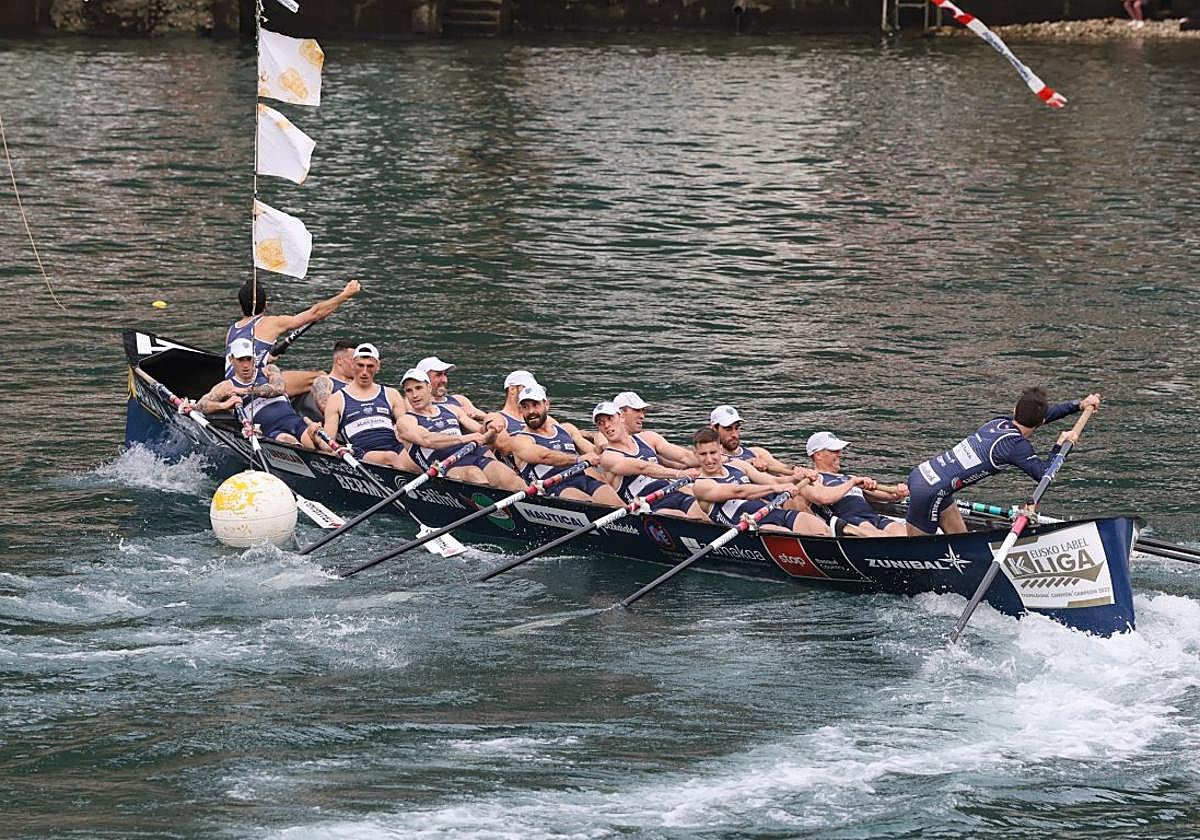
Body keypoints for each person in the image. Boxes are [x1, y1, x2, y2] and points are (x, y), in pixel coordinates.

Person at [905, 388, 1101, 536]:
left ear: (1015, 410)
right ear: (1041, 423)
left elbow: (1042, 415)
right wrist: (1059, 446)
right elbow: (1043, 475)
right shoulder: (1015, 445)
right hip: (930, 492)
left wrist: (1079, 405)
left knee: (959, 540)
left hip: (924, 476)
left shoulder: (998, 422)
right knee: (919, 558)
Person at [225, 277, 361, 395]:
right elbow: (316, 312)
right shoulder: (272, 322)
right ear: (266, 305)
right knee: (321, 377)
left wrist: (266, 358)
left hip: (231, 383)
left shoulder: (232, 329)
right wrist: (346, 294)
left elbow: (246, 355)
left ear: (241, 306)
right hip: (253, 385)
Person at [397, 368, 524, 490]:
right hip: (445, 467)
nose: (414, 395)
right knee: (473, 475)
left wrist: (492, 426)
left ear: (429, 388)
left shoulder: (451, 409)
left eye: (419, 388)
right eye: (409, 391)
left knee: (512, 479)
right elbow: (427, 440)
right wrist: (465, 438)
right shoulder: (406, 421)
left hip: (473, 455)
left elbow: (481, 432)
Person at [691, 427, 827, 534]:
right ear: (695, 454)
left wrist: (795, 478)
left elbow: (773, 481)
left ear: (720, 449)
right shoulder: (701, 485)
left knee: (817, 526)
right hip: (751, 529)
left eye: (713, 453)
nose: (709, 460)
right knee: (784, 533)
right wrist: (775, 489)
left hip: (774, 513)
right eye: (703, 454)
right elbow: (739, 492)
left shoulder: (738, 465)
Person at [507, 384, 624, 505]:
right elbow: (544, 456)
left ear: (546, 405)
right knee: (589, 505)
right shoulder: (520, 440)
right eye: (525, 407)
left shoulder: (567, 429)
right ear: (521, 410)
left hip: (582, 479)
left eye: (535, 405)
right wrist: (578, 459)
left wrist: (601, 442)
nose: (531, 411)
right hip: (554, 488)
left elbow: (595, 453)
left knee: (618, 504)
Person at [197, 337, 318, 448]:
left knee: (317, 436)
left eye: (249, 359)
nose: (245, 365)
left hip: (295, 422)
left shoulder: (269, 370)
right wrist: (224, 405)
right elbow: (201, 406)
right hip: (271, 433)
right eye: (240, 360)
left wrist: (245, 391)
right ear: (231, 359)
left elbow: (279, 388)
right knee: (286, 439)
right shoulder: (226, 387)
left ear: (254, 358)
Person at [594, 401, 702, 518]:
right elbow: (644, 468)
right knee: (679, 516)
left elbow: (685, 456)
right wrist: (680, 474)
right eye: (601, 423)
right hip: (649, 506)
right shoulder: (609, 457)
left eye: (610, 419)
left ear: (621, 417)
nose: (606, 425)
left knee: (701, 512)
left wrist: (717, 460)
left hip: (673, 491)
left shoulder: (648, 438)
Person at [321, 343, 411, 468]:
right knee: (391, 457)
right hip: (363, 452)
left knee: (416, 460)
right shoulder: (336, 399)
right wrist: (314, 434)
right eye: (360, 365)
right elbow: (327, 443)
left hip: (396, 447)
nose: (364, 372)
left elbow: (408, 428)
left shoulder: (391, 394)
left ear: (378, 367)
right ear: (352, 365)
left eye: (370, 366)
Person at [806, 431, 910, 537]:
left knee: (905, 533)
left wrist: (899, 493)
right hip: (849, 521)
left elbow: (888, 497)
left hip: (872, 517)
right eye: (835, 451)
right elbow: (824, 498)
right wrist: (852, 483)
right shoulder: (812, 478)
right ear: (818, 455)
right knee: (878, 534)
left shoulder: (850, 478)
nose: (840, 454)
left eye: (839, 450)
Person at [709, 405, 816, 481]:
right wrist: (748, 463)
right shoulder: (709, 459)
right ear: (714, 428)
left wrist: (798, 469)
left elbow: (782, 468)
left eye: (737, 428)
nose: (734, 434)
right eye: (728, 429)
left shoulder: (757, 452)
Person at [300, 338, 358, 421]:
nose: (357, 365)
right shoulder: (325, 381)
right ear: (339, 360)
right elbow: (328, 409)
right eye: (353, 360)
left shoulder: (360, 383)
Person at [416, 356, 487, 422]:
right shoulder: (415, 405)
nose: (444, 380)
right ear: (423, 379)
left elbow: (488, 418)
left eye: (445, 374)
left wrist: (475, 414)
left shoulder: (460, 400)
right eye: (438, 375)